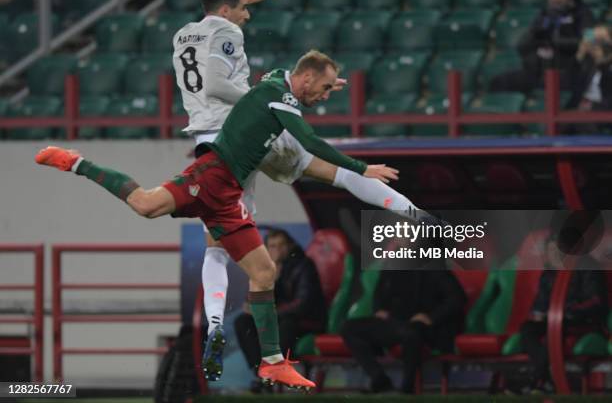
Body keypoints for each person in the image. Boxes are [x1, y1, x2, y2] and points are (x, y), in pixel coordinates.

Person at [35, 50, 399, 390]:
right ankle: (75, 162)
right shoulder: (278, 95)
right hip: (209, 175)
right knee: (145, 204)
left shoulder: (279, 80)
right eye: (322, 89)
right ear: (304, 79)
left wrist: (326, 80)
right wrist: (362, 167)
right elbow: (309, 140)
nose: (324, 96)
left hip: (229, 195)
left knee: (265, 272)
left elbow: (297, 76)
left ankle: (271, 361)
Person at [175, 0, 427, 381]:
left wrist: (243, 0)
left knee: (216, 244)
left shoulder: (184, 35)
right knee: (333, 171)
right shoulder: (231, 37)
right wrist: (270, 99)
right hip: (243, 129)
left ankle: (217, 323)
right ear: (226, 12)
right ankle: (418, 216)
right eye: (243, 9)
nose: (248, 15)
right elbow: (222, 81)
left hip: (209, 144)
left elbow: (212, 37)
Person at [508, 238, 608, 395]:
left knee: (553, 332)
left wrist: (566, 312)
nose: (554, 255)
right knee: (527, 329)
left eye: (558, 251)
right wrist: (540, 314)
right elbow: (540, 304)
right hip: (553, 321)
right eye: (550, 252)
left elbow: (595, 301)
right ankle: (544, 380)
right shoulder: (549, 274)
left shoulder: (587, 267)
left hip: (581, 321)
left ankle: (536, 380)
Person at [341, 270, 466, 394]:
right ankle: (379, 378)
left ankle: (407, 388)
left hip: (424, 327)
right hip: (394, 324)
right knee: (349, 328)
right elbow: (379, 294)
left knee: (413, 332)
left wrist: (431, 317)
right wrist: (379, 310)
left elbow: (457, 298)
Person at [234, 229, 326, 392]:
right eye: (272, 246)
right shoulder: (266, 268)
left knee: (286, 324)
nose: (277, 250)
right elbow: (251, 303)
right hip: (277, 318)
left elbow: (303, 305)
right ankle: (263, 376)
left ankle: (269, 376)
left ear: (289, 246)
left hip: (304, 321)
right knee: (243, 322)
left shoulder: (304, 265)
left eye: (281, 245)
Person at [490, 0, 594, 94]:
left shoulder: (582, 14)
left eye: (559, 3)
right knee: (500, 82)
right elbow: (521, 46)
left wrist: (556, 42)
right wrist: (535, 33)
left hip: (564, 70)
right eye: (552, 3)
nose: (555, 7)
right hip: (536, 70)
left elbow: (585, 43)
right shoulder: (545, 14)